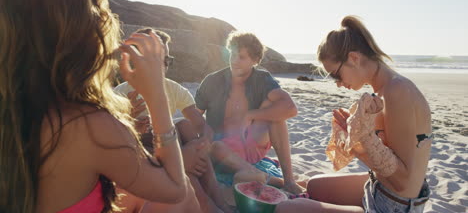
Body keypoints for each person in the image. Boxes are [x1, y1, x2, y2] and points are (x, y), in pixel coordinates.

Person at [0, 0, 198, 213]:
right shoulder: (88, 124)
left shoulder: (15, 105)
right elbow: (174, 187)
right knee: (183, 196)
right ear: (83, 38)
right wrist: (156, 93)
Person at [276, 16, 432, 213]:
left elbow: (403, 181)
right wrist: (355, 140)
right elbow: (384, 165)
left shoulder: (397, 91)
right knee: (315, 185)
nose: (338, 83)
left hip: (392, 206)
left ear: (354, 58)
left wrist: (363, 137)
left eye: (336, 75)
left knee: (286, 209)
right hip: (380, 188)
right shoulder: (382, 90)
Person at [114, 28, 231, 213]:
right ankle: (210, 208)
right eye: (156, 59)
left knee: (185, 126)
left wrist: (203, 142)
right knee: (184, 168)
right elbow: (115, 143)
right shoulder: (121, 93)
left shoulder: (173, 89)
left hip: (167, 143)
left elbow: (200, 123)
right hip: (141, 152)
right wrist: (130, 122)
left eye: (167, 60)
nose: (163, 66)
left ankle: (220, 202)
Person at [195, 31, 304, 195]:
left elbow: (290, 108)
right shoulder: (212, 80)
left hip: (251, 144)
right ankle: (268, 178)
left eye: (242, 57)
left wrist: (250, 115)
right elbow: (195, 116)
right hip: (222, 150)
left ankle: (288, 180)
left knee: (276, 113)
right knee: (216, 147)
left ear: (254, 60)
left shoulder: (262, 79)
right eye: (232, 54)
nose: (234, 61)